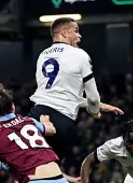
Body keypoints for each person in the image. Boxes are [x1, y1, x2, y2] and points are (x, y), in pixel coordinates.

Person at [28, 17, 123, 166]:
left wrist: (97, 104)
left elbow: (58, 94)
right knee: (50, 170)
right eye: (76, 31)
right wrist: (94, 109)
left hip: (36, 115)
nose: (80, 36)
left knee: (30, 167)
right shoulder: (80, 55)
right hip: (61, 121)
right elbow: (92, 97)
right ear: (64, 33)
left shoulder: (43, 55)